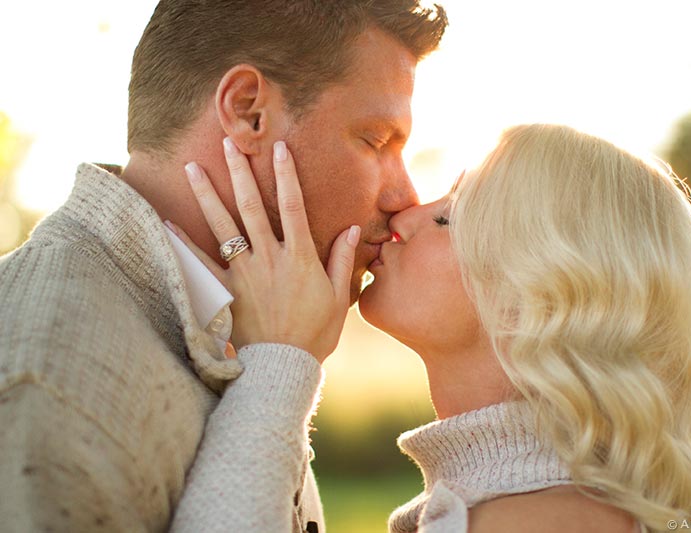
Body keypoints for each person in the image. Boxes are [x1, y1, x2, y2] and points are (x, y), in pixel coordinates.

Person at [177, 124, 691, 532]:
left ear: (543, 295)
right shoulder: (535, 502)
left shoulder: (536, 523)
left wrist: (278, 359)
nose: (403, 214)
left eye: (450, 217)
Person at [0, 1, 447, 531]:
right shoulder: (50, 382)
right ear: (247, 111)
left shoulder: (234, 326)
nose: (406, 196)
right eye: (375, 141)